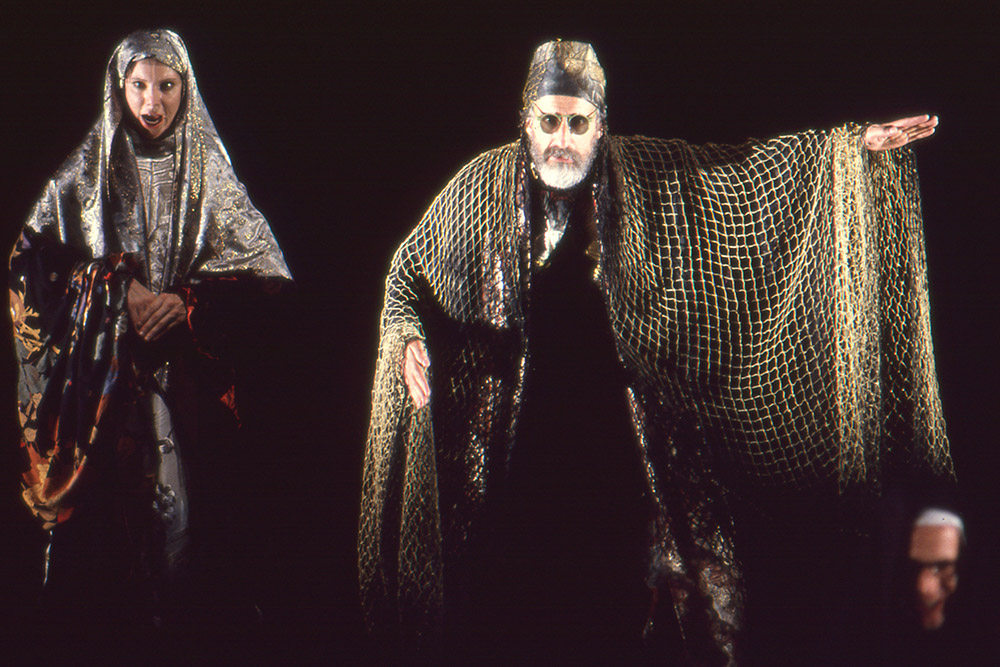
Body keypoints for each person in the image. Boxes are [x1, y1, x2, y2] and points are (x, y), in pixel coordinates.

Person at [359, 39, 952, 662]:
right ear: (525, 122)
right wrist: (407, 337)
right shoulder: (480, 188)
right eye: (548, 121)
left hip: (622, 452)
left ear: (600, 125)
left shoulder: (642, 171)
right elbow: (407, 276)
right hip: (518, 455)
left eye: (577, 122)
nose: (561, 138)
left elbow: (739, 169)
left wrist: (847, 148)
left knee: (654, 603)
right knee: (514, 610)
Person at [9, 29, 291, 642]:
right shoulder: (88, 170)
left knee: (195, 520)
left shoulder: (209, 170)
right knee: (115, 540)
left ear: (185, 89)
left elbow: (267, 276)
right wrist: (116, 292)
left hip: (190, 382)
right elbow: (28, 267)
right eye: (140, 86)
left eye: (166, 86)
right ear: (120, 89)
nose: (153, 102)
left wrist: (184, 304)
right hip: (109, 387)